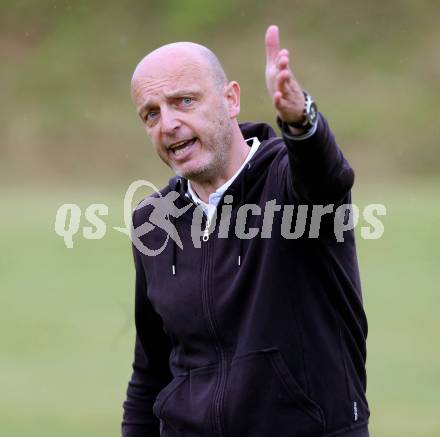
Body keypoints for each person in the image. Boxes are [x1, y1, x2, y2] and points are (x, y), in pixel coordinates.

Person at [122, 25, 370, 437]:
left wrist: (301, 120)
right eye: (151, 113)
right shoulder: (155, 221)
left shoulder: (289, 183)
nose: (168, 124)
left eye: (184, 101)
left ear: (230, 99)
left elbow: (325, 175)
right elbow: (151, 372)